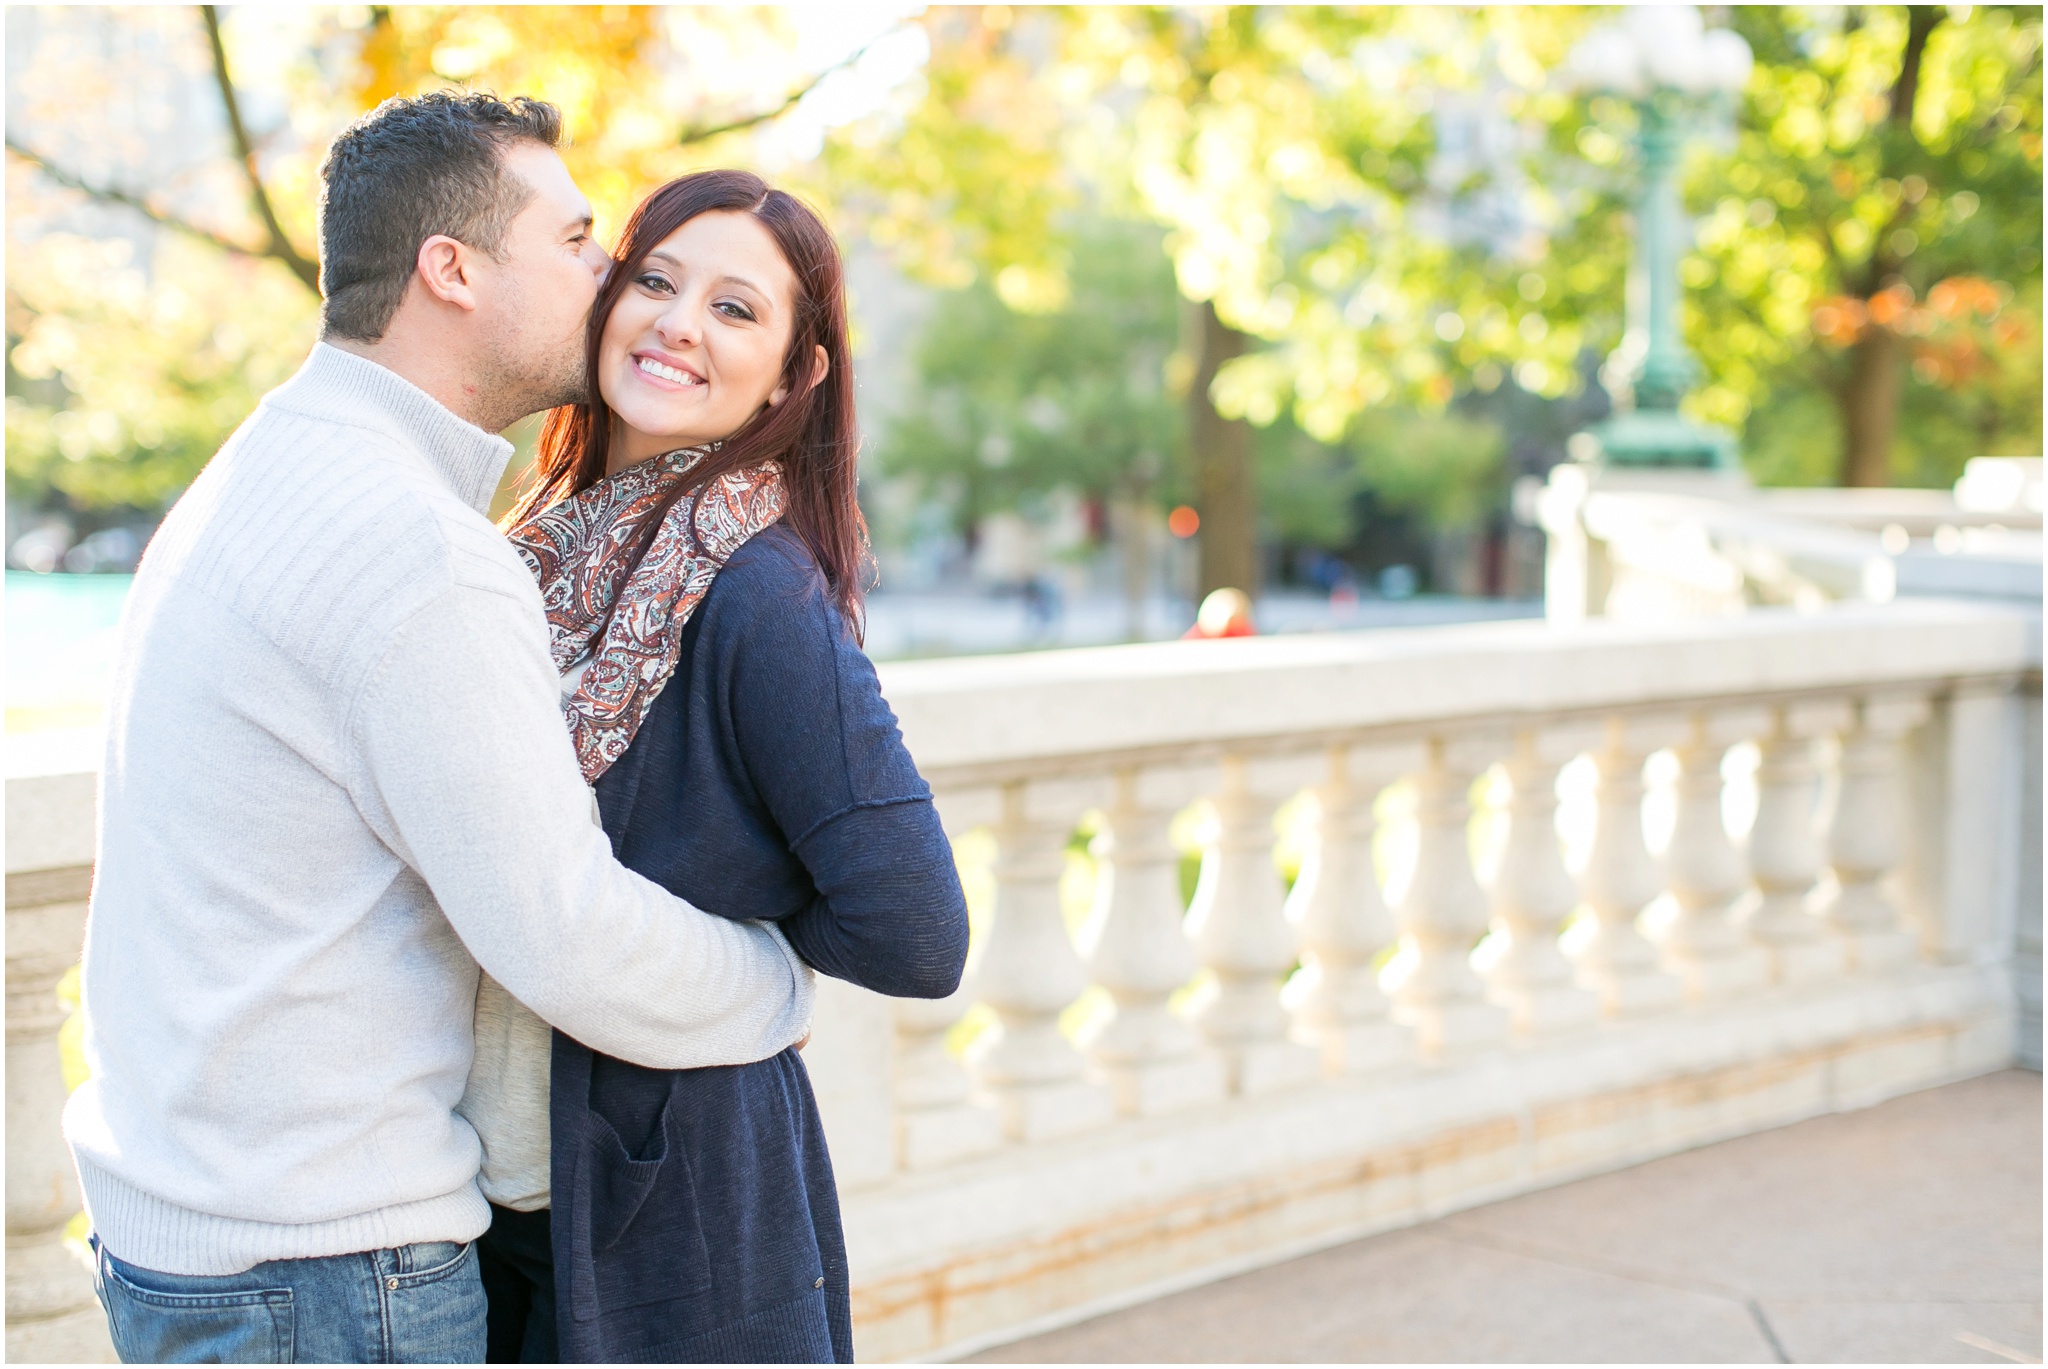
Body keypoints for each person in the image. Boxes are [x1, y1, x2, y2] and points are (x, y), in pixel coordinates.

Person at [67, 94, 815, 1365]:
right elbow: (564, 931)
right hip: (327, 1267)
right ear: (452, 270)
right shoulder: (420, 556)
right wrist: (775, 983)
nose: (610, 276)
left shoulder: (264, 464)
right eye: (577, 241)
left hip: (193, 1231)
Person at [469, 170, 969, 1363]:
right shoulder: (541, 544)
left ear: (797, 376)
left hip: (658, 1208)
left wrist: (743, 954)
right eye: (654, 280)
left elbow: (915, 926)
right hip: (491, 1191)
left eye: (737, 309)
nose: (678, 323)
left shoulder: (756, 591)